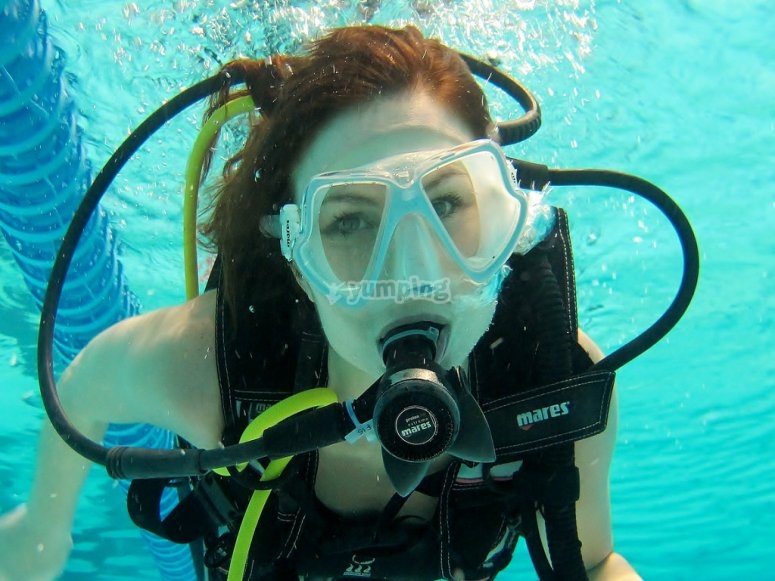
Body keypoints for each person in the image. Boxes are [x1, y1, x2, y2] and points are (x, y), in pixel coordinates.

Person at [0, 25, 642, 581]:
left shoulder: (556, 380)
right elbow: (83, 387)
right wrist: (43, 528)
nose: (414, 272)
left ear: (511, 221)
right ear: (298, 263)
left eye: (448, 203)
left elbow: (590, 560)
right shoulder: (208, 371)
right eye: (350, 221)